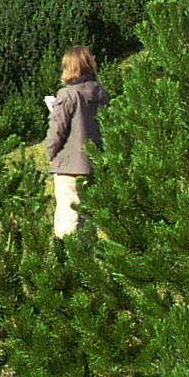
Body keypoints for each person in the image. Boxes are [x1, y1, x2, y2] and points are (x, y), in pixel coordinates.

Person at [43, 45, 109, 239]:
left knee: (69, 222)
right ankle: (90, 255)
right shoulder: (101, 93)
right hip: (96, 164)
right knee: (89, 221)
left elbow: (57, 131)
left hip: (70, 167)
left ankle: (69, 257)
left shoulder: (68, 95)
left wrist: (50, 154)